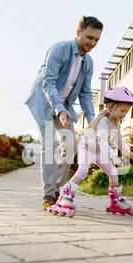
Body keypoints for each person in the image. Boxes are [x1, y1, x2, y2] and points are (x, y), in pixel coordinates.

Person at [25, 16, 103, 210]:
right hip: (44, 103)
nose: (92, 43)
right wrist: (59, 110)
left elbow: (85, 94)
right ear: (78, 32)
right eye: (89, 37)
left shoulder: (89, 63)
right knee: (49, 146)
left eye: (96, 40)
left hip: (65, 107)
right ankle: (48, 195)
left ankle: (59, 191)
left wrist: (93, 122)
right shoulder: (58, 50)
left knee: (71, 146)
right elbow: (48, 83)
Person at [48, 87, 133, 218]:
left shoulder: (116, 123)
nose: (124, 114)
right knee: (83, 171)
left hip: (99, 152)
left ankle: (115, 201)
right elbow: (103, 141)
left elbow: (119, 141)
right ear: (111, 107)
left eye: (126, 112)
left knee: (113, 172)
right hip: (86, 149)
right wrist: (113, 156)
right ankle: (65, 196)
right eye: (122, 110)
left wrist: (130, 153)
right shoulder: (103, 121)